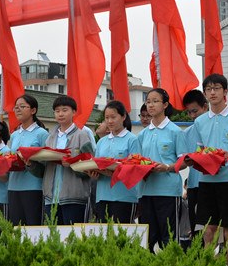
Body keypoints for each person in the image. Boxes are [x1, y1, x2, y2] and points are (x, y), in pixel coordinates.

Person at [191, 73, 228, 266]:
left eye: (216, 88)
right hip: (207, 181)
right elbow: (200, 151)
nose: (212, 93)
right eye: (208, 89)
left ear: (225, 91)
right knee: (208, 231)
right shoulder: (200, 121)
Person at [137, 88, 186, 252]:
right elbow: (137, 161)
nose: (150, 105)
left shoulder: (175, 131)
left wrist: (167, 167)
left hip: (168, 192)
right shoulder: (142, 135)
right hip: (146, 192)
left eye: (155, 101)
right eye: (148, 102)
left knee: (169, 239)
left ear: (165, 105)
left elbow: (184, 162)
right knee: (148, 240)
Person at [43, 95, 93, 225]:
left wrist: (72, 164)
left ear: (74, 112)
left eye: (65, 110)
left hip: (74, 197)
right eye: (57, 111)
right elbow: (44, 168)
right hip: (51, 198)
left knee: (73, 235)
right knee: (53, 235)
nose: (60, 114)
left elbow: (91, 166)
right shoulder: (50, 138)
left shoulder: (82, 135)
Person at [89, 100, 140, 223]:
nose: (109, 121)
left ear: (123, 117)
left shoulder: (132, 140)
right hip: (102, 196)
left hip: (124, 197)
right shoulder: (101, 142)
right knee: (103, 232)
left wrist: (113, 172)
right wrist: (93, 173)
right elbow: (96, 164)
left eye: (113, 117)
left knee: (123, 232)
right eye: (107, 118)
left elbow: (135, 169)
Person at [7, 94, 49, 226]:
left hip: (33, 187)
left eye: (22, 106)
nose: (18, 109)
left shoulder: (42, 134)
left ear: (33, 110)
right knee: (16, 228)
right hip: (13, 186)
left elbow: (46, 164)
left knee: (33, 228)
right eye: (16, 107)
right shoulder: (14, 135)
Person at [182, 89, 209, 236]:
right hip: (194, 186)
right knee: (196, 231)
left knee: (213, 231)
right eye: (189, 112)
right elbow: (183, 161)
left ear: (205, 107)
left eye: (195, 111)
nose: (192, 115)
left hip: (212, 184)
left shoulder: (214, 127)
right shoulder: (186, 133)